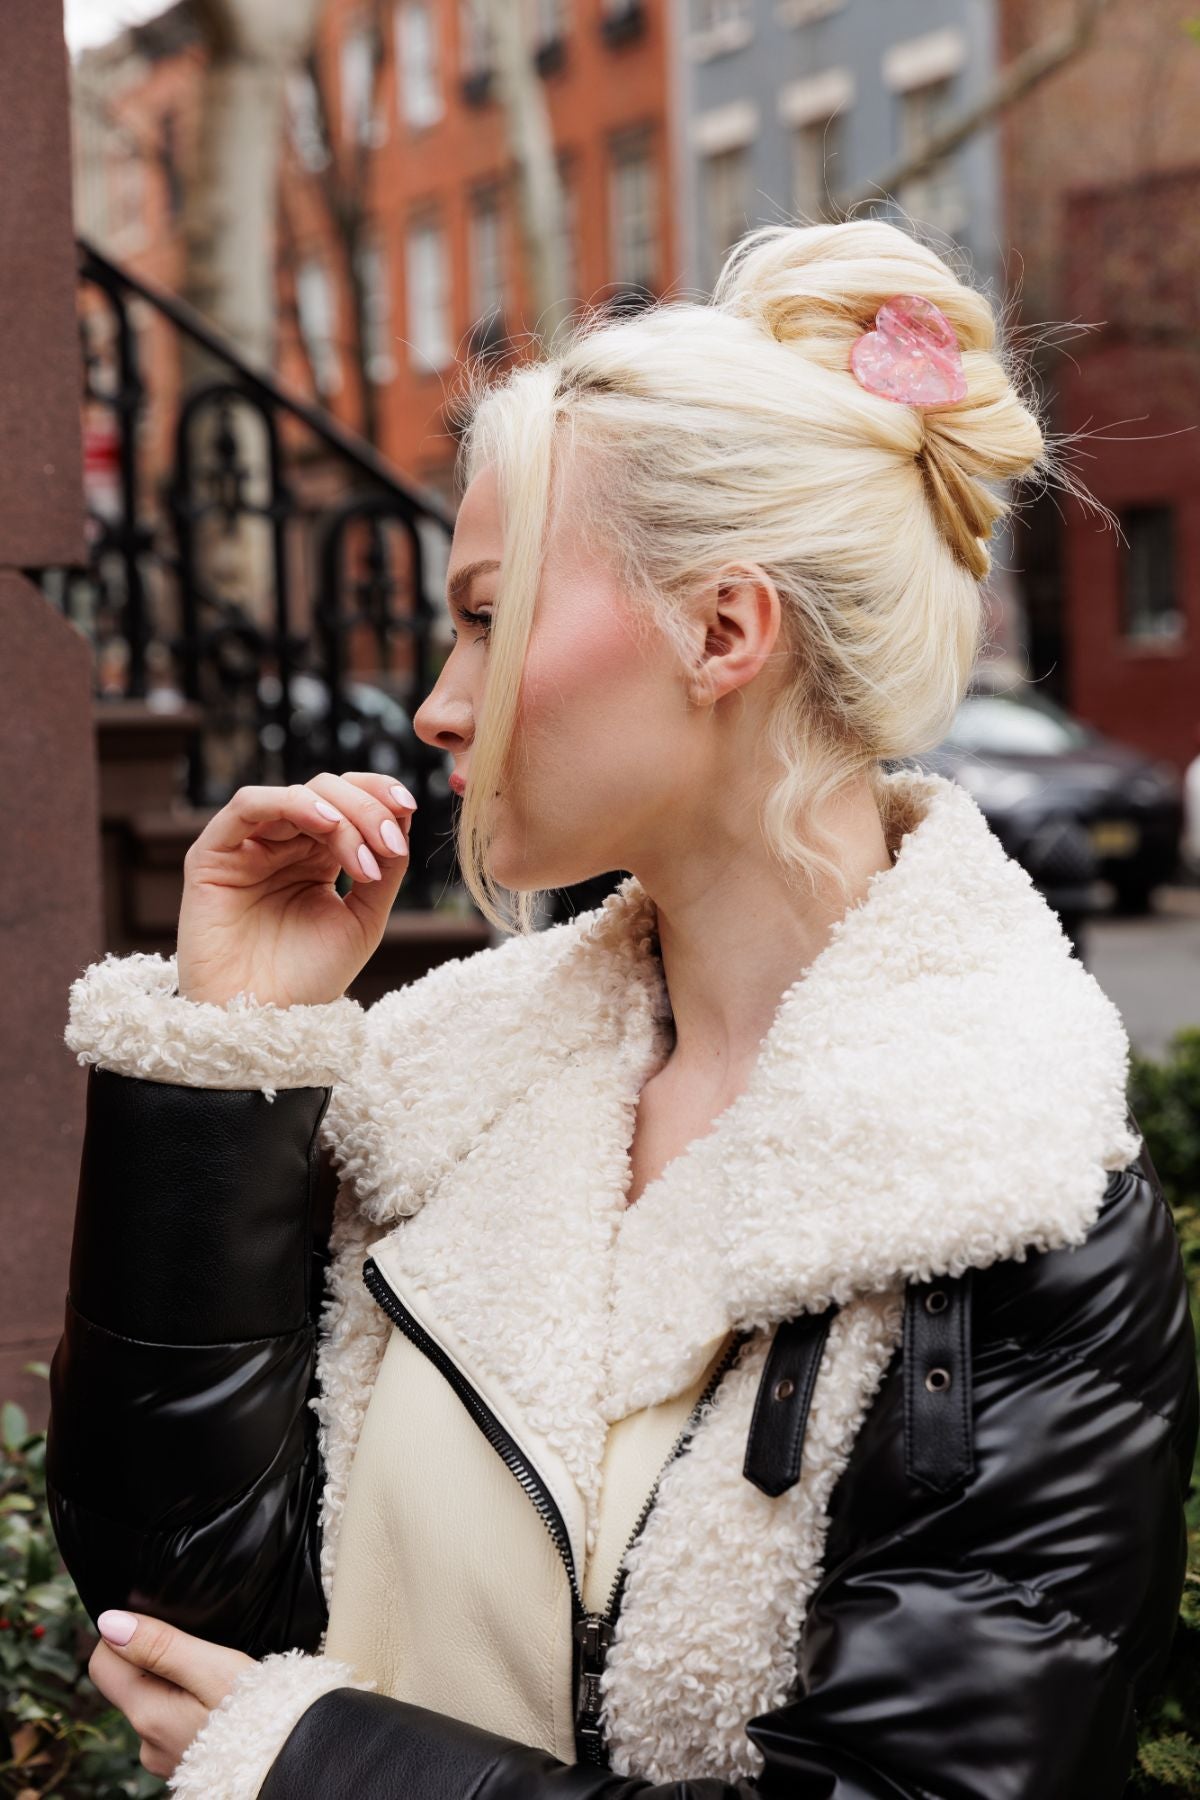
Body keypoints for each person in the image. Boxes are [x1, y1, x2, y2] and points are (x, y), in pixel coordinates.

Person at [48, 220, 1197, 1799]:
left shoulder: (1017, 1203)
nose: (440, 705)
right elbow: (172, 1620)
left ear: (723, 631)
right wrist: (229, 1056)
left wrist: (318, 1773)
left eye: (482, 614)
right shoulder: (430, 1096)